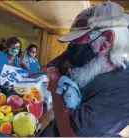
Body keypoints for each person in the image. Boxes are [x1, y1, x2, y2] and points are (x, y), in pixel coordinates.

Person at [46, 2, 129, 137]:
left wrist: (55, 85)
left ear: (107, 39)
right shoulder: (95, 56)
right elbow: (59, 61)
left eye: (77, 39)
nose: (73, 47)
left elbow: (70, 134)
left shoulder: (124, 89)